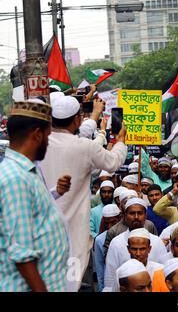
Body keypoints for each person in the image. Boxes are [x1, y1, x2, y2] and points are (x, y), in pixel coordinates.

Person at [40, 95, 128, 291]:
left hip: (42, 227)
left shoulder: (39, 144)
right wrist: (121, 140)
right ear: (77, 120)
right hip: (74, 231)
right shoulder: (85, 147)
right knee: (70, 281)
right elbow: (113, 162)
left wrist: (94, 115)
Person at [0, 100, 69, 292]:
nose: (48, 141)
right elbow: (22, 253)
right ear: (37, 135)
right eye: (48, 135)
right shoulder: (15, 178)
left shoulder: (28, 171)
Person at [104, 198, 167, 289]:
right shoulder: (116, 242)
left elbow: (164, 274)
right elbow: (110, 278)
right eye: (132, 213)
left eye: (140, 213)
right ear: (125, 215)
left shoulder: (157, 241)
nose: (136, 217)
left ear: (145, 215)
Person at [92, 203, 121, 292]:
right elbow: (99, 268)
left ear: (119, 219)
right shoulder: (99, 240)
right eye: (107, 223)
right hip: (109, 282)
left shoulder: (127, 235)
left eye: (113, 222)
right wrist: (102, 288)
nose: (109, 226)